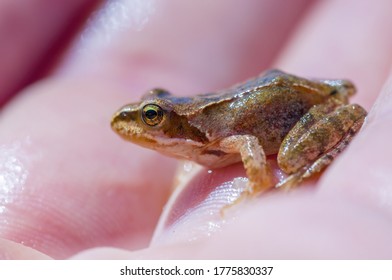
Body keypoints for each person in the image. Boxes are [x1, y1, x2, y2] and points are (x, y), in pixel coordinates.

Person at [0, 0, 391, 259]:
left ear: (171, 120)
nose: (139, 123)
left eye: (152, 116)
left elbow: (247, 142)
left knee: (288, 158)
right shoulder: (193, 142)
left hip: (302, 109)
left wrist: (256, 187)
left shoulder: (214, 136)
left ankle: (306, 166)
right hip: (283, 89)